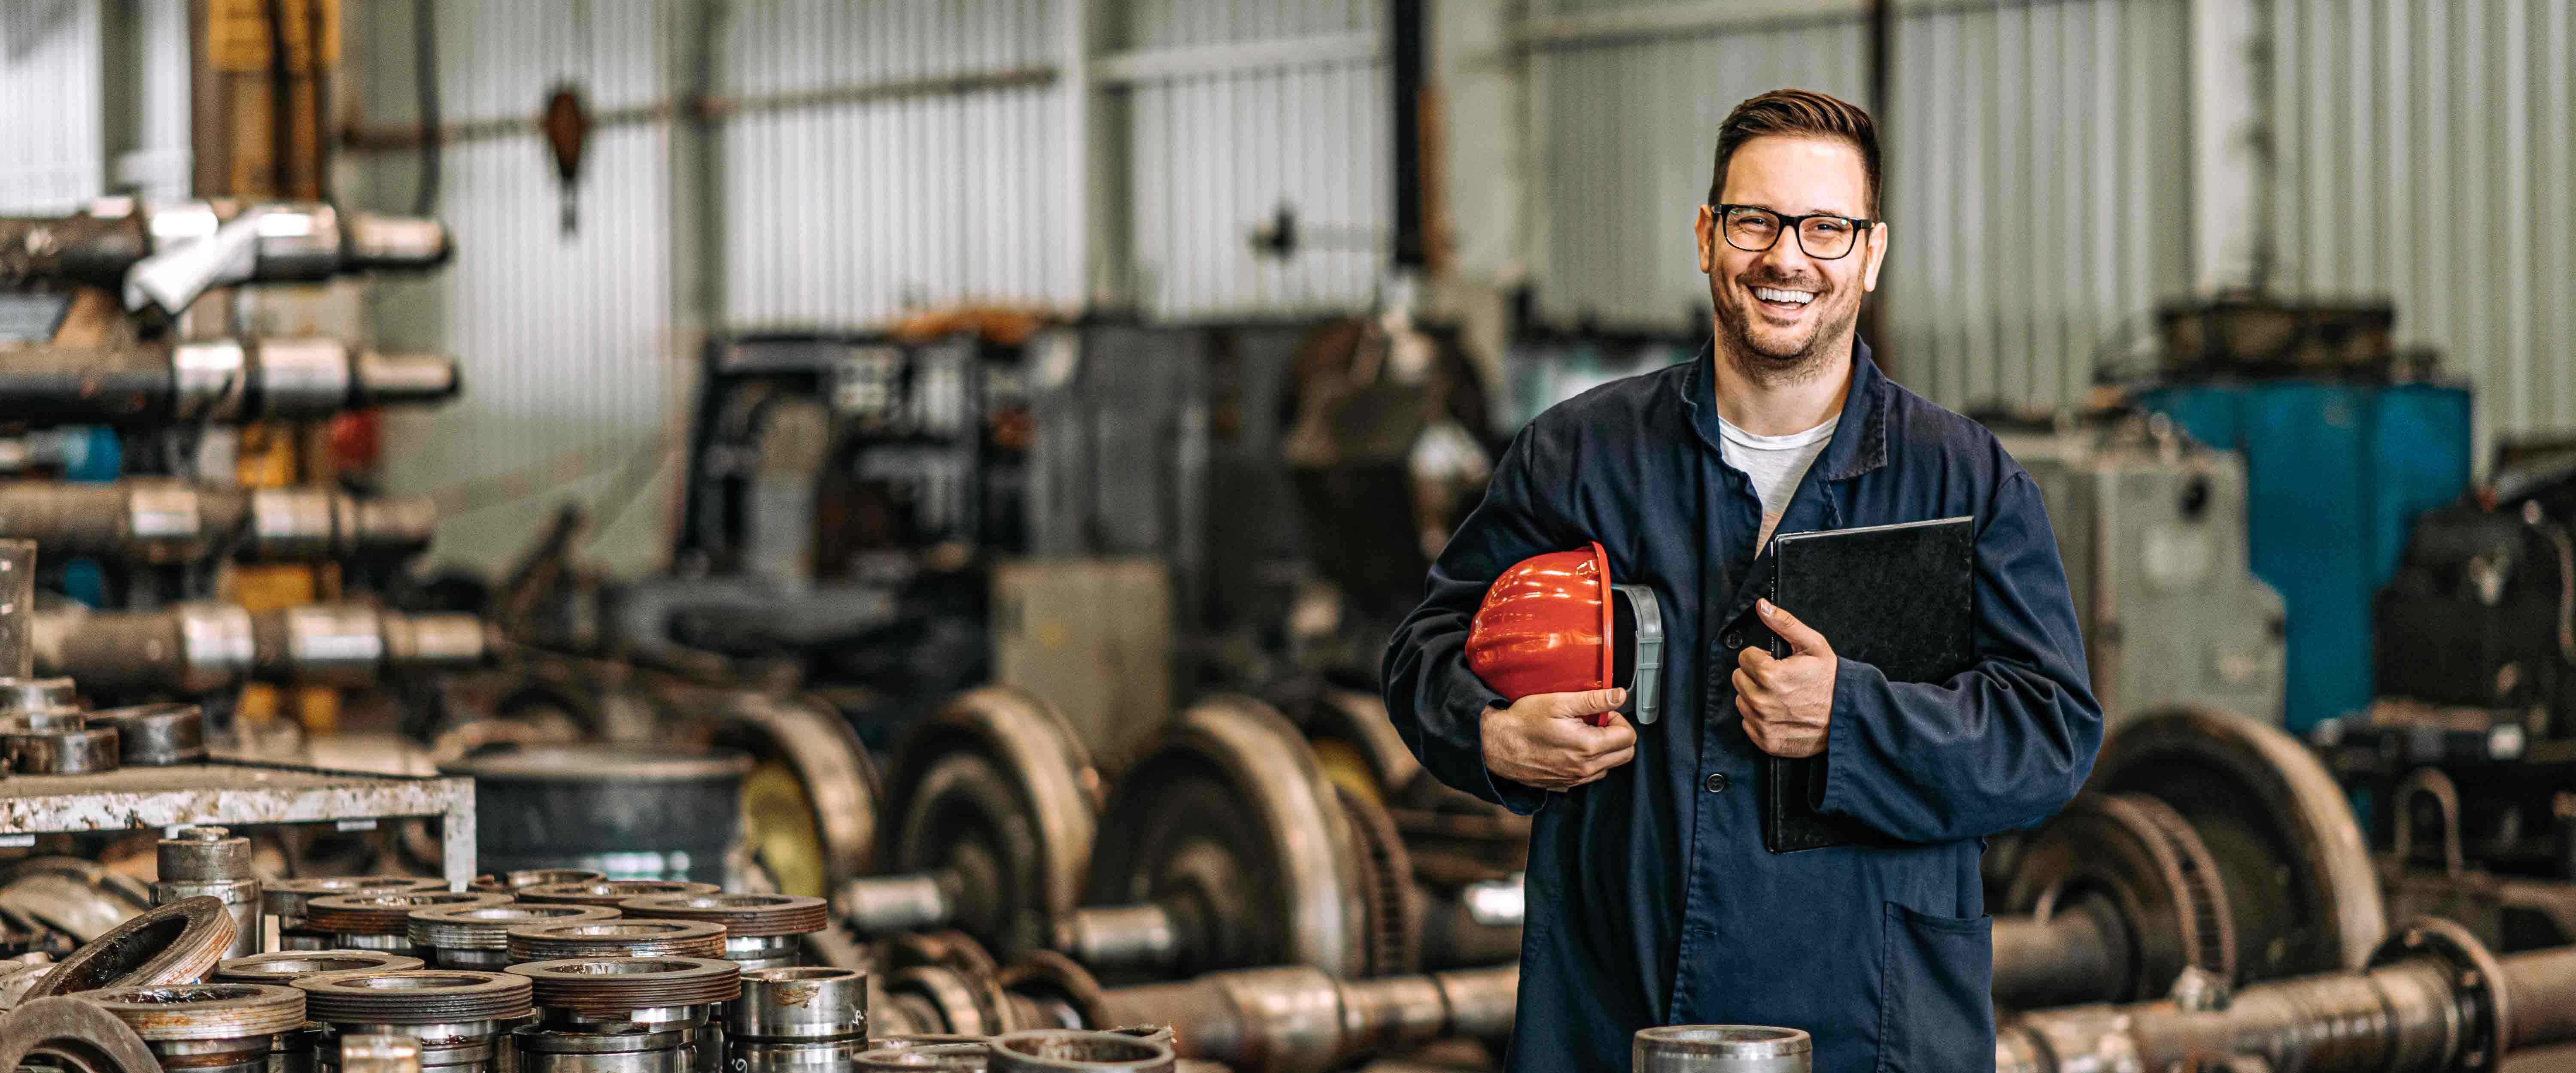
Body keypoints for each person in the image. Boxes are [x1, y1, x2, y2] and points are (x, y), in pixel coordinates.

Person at [1382, 88, 2101, 1071]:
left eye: (1826, 227)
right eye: (1756, 220)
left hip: (1872, 1028)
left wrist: (1851, 720)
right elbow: (1425, 646)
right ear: (1708, 235)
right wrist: (1490, 733)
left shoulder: (1966, 480)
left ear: (1872, 253)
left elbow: (2051, 732)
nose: (1787, 256)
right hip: (1612, 1013)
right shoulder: (1579, 456)